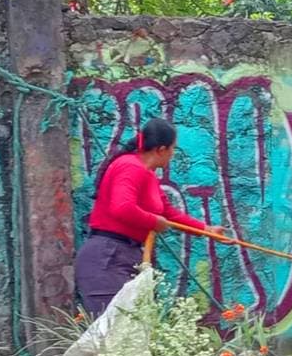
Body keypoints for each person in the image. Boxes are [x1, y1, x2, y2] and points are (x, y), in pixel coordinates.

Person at [75, 118, 225, 316]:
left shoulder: (148, 175)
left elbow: (167, 212)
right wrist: (153, 222)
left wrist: (206, 229)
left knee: (131, 331)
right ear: (161, 149)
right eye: (172, 149)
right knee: (112, 332)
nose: (172, 154)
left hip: (124, 255)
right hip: (107, 257)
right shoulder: (131, 167)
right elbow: (122, 207)